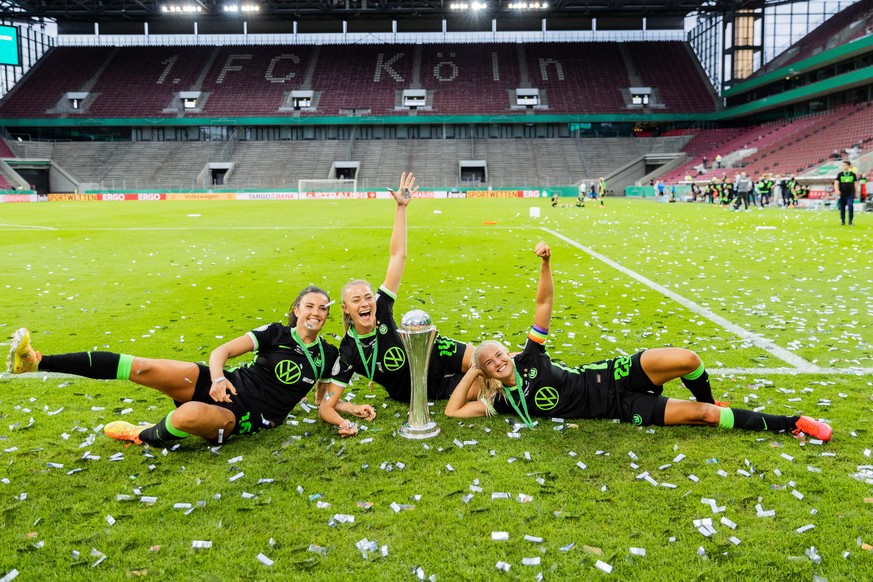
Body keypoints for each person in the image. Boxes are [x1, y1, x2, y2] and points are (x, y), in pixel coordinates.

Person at [445, 241, 832, 442]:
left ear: (508, 351)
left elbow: (543, 302)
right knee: (706, 419)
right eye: (490, 362)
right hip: (624, 406)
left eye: (498, 352)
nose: (498, 360)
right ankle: (793, 423)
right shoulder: (500, 404)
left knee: (689, 358)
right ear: (486, 370)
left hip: (616, 374)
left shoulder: (529, 356)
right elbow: (452, 413)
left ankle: (708, 395)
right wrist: (473, 371)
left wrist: (545, 264)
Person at [5, 286, 370, 446]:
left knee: (188, 417)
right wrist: (215, 379)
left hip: (248, 416)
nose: (316, 313)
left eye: (323, 308)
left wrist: (349, 411)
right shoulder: (275, 333)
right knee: (144, 368)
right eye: (309, 306)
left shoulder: (330, 355)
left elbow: (325, 401)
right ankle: (36, 361)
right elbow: (221, 352)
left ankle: (142, 435)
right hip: (222, 383)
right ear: (296, 310)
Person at [320, 172, 474, 437]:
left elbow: (397, 256)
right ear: (346, 308)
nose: (366, 302)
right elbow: (326, 407)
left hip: (437, 352)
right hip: (423, 388)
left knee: (495, 359)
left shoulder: (381, 305)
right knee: (487, 382)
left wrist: (401, 209)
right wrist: (344, 419)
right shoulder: (349, 351)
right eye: (356, 300)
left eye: (367, 296)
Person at [834, 160, 859, 226]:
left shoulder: (852, 174)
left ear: (848, 166)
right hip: (842, 194)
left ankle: (850, 221)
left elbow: (855, 184)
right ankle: (843, 221)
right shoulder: (840, 174)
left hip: (850, 193)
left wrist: (856, 192)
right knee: (842, 208)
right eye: (843, 165)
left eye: (845, 165)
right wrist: (837, 190)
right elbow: (836, 183)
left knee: (850, 206)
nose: (843, 166)